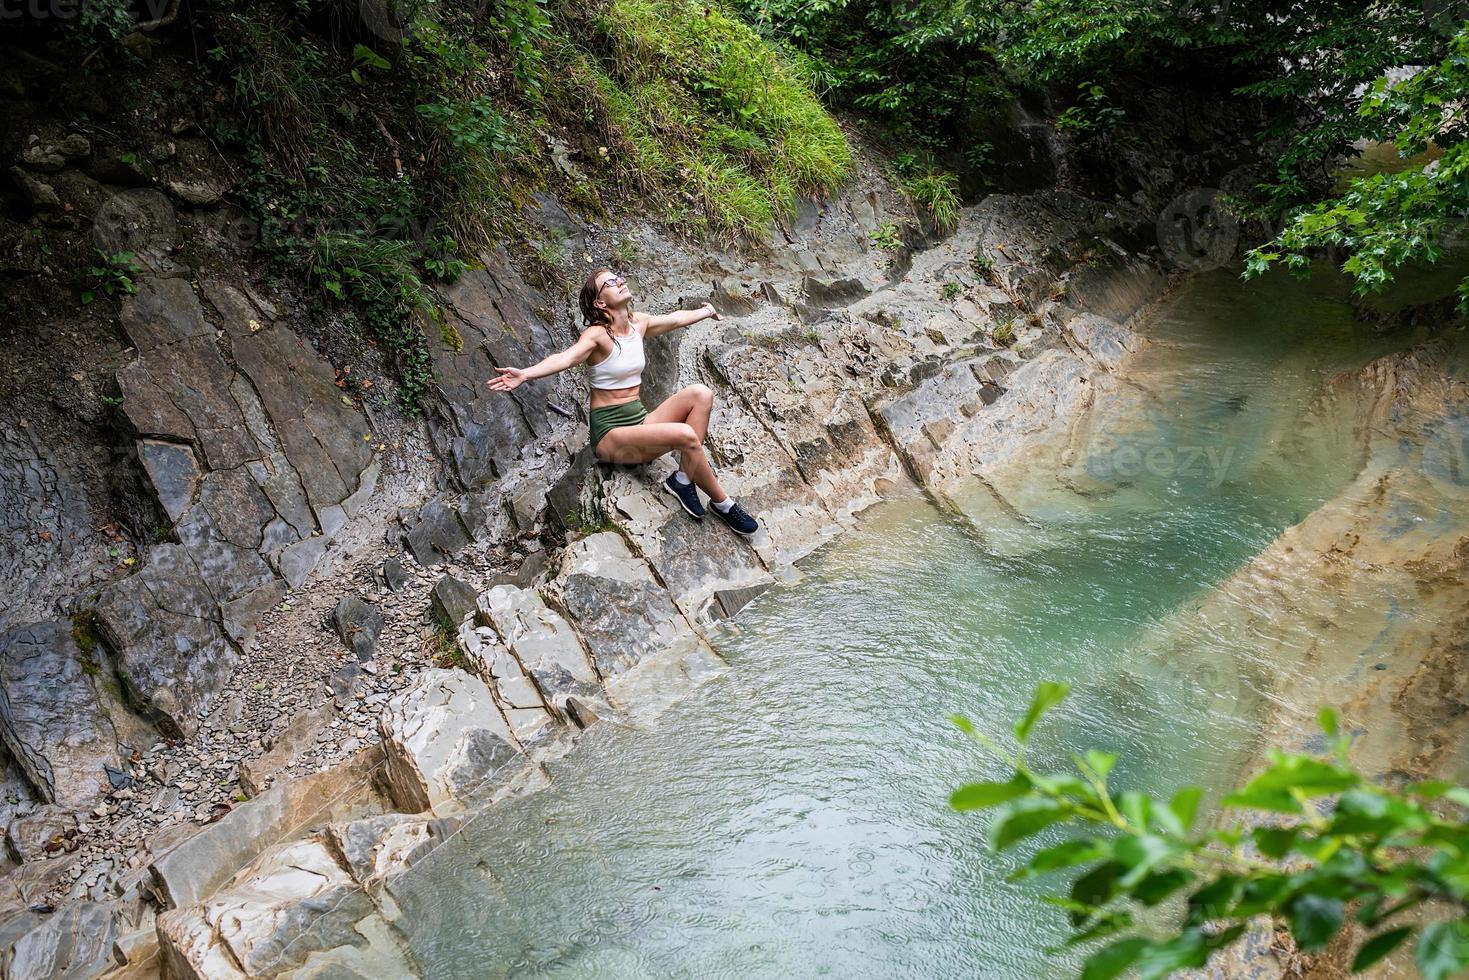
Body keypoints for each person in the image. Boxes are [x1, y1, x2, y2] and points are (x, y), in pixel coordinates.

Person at [486, 267, 759, 535]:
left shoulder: (638, 323)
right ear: (600, 302)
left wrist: (706, 312)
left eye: (619, 278)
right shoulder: (597, 335)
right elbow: (565, 358)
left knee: (702, 393)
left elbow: (674, 319)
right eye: (611, 282)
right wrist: (524, 374)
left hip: (639, 423)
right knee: (686, 435)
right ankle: (723, 504)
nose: (620, 281)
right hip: (611, 436)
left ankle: (683, 480)